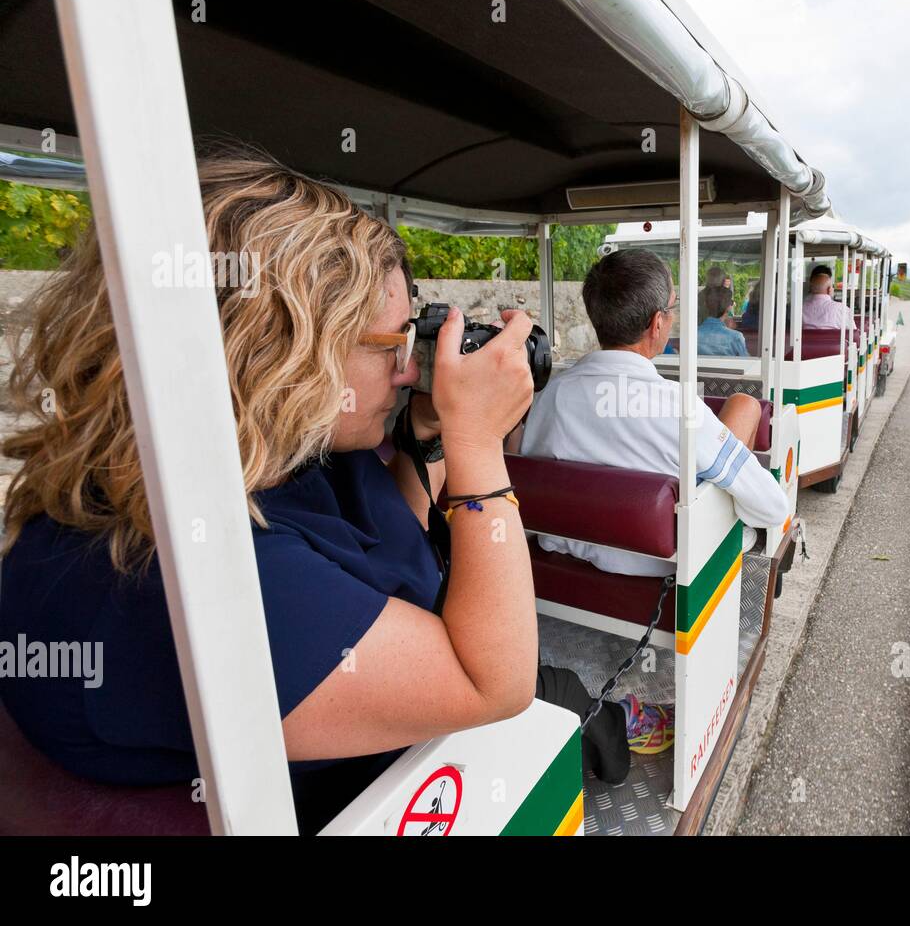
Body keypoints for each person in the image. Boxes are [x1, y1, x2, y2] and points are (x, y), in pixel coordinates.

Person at [0, 151, 646, 832]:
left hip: (380, 713)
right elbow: (495, 682)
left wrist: (430, 432)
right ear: (276, 352)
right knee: (563, 696)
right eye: (387, 345)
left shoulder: (259, 462)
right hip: (372, 788)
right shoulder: (202, 580)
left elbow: (396, 535)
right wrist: (481, 446)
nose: (407, 369)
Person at [519, 249, 788, 577]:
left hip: (566, 563)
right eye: (672, 308)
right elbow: (773, 508)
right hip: (668, 576)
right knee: (744, 410)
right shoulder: (678, 405)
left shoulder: (551, 395)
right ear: (657, 323)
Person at [697, 283, 748, 357]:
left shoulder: (692, 335)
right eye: (731, 302)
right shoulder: (735, 337)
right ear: (728, 307)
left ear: (706, 306)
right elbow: (748, 363)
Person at [802, 263, 854, 330]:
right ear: (829, 289)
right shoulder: (841, 308)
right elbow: (853, 334)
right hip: (834, 340)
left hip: (806, 341)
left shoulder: (800, 309)